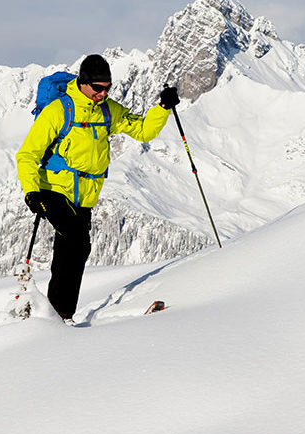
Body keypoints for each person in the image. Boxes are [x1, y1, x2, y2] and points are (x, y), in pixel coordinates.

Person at [16, 54, 181, 323]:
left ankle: (58, 316)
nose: (102, 94)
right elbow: (27, 154)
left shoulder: (107, 110)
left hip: (86, 195)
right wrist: (31, 192)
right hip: (53, 189)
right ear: (83, 83)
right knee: (75, 240)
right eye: (97, 88)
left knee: (75, 250)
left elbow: (142, 131)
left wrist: (162, 107)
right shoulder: (59, 110)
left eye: (108, 88)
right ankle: (58, 315)